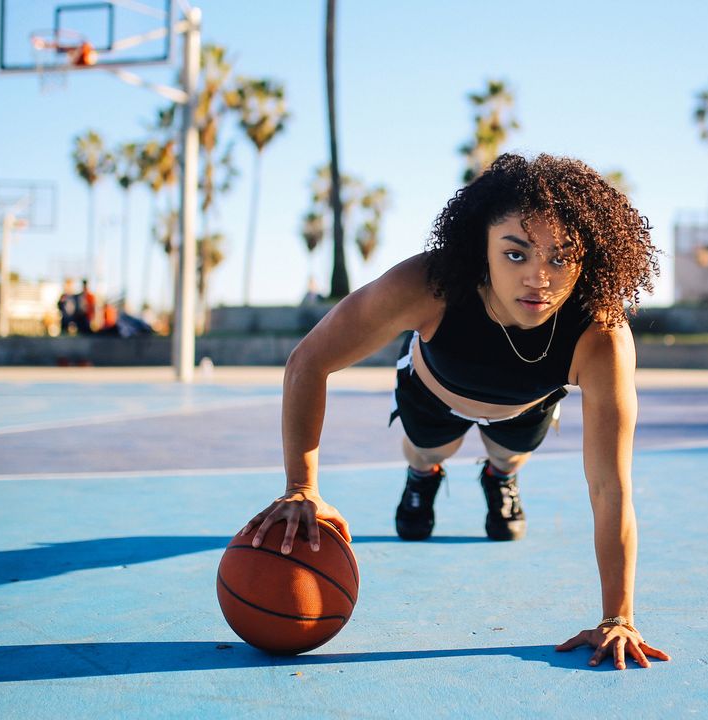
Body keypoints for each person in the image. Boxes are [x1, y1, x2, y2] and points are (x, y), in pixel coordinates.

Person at [240, 154, 671, 670]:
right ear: (481, 247)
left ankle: (499, 478)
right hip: (433, 391)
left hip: (524, 407)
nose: (539, 278)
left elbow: (609, 486)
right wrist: (301, 486)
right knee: (428, 450)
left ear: (589, 259)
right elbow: (309, 361)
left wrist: (618, 617)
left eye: (560, 258)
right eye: (516, 255)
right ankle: (423, 475)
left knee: (510, 457)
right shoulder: (429, 286)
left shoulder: (601, 337)